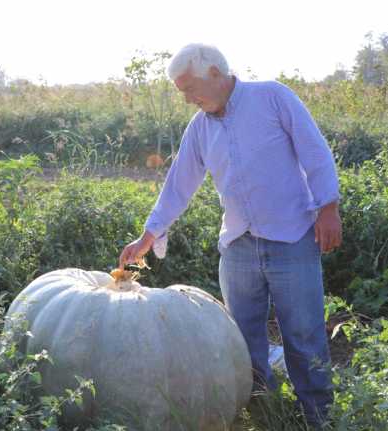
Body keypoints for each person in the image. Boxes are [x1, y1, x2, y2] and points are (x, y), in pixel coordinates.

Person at [118, 43, 341, 426]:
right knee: (243, 339)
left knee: (303, 335)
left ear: (216, 75)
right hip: (238, 246)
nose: (188, 99)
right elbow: (179, 185)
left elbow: (314, 151)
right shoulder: (200, 128)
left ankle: (318, 416)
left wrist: (328, 207)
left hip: (292, 239)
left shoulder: (272, 98)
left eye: (190, 89)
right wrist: (149, 234)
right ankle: (261, 410)